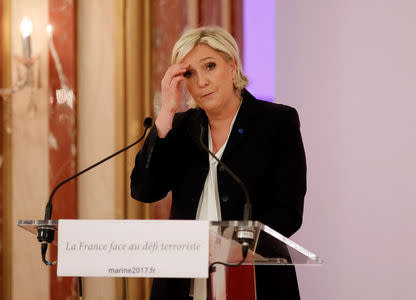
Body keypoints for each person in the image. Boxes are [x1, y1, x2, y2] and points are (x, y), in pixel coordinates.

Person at [130, 26, 306, 300]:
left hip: (253, 279)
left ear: (232, 66)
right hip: (185, 284)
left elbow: (288, 211)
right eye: (190, 74)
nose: (201, 82)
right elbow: (144, 190)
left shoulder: (276, 122)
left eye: (210, 66)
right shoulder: (180, 127)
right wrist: (165, 115)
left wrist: (235, 249)